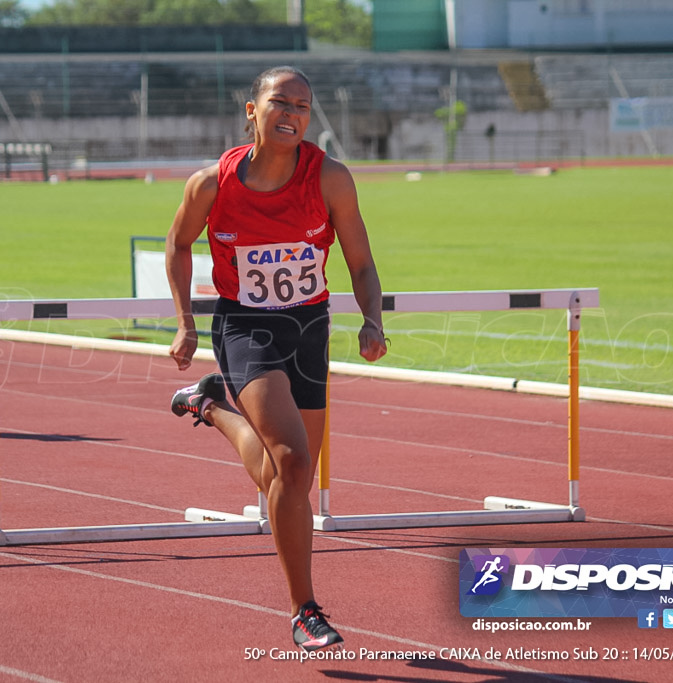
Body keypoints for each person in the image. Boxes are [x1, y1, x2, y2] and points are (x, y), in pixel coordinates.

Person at [166, 66, 388, 652]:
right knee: (291, 464)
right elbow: (178, 244)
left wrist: (372, 319)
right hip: (244, 327)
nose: (291, 113)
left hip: (309, 328)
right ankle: (304, 610)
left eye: (303, 106)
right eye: (279, 102)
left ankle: (212, 406)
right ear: (252, 109)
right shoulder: (212, 184)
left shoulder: (331, 178)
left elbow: (360, 261)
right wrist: (187, 323)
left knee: (281, 475)